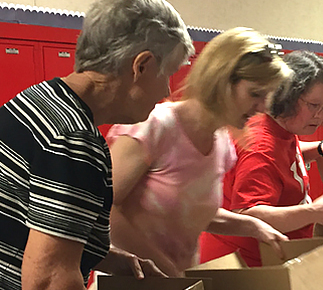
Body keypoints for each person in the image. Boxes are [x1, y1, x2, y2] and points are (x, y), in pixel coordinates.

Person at [0, 0, 191, 290]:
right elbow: (49, 287)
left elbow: (22, 220)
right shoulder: (74, 142)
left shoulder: (36, 101)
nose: (167, 92)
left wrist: (106, 256)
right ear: (142, 65)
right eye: (168, 74)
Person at [107, 28, 292, 277]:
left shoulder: (222, 142)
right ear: (221, 80)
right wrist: (164, 266)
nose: (262, 107)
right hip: (127, 286)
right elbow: (104, 208)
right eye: (255, 94)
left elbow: (191, 211)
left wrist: (252, 225)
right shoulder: (154, 126)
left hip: (175, 286)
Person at [199, 50, 323, 267]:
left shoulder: (279, 128)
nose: (319, 115)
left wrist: (319, 149)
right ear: (287, 95)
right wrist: (314, 212)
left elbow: (283, 155)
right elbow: (248, 214)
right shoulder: (260, 147)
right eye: (312, 105)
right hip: (245, 269)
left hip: (269, 258)